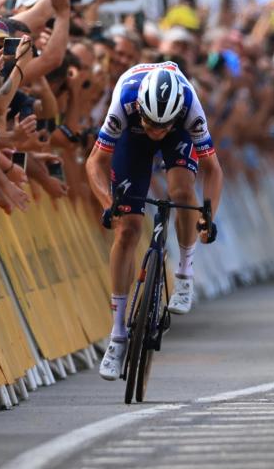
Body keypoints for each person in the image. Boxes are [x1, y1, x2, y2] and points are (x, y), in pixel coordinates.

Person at [86, 61, 223, 380]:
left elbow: (213, 170)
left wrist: (208, 217)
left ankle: (185, 274)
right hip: (131, 140)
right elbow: (94, 163)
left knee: (181, 191)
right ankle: (118, 335)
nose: (156, 131)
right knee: (128, 230)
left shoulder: (189, 105)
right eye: (151, 124)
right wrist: (109, 204)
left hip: (181, 135)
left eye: (162, 126)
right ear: (140, 112)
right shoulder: (125, 101)